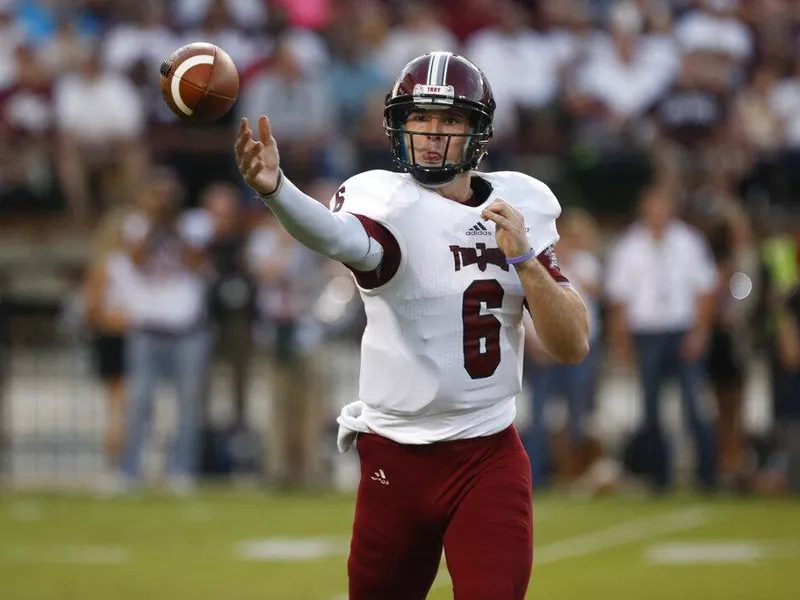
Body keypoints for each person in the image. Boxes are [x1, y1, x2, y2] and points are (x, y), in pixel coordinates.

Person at [236, 52, 589, 600]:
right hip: (394, 457)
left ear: (478, 131)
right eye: (420, 117)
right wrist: (277, 190)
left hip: (486, 452)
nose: (430, 133)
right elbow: (334, 235)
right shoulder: (386, 202)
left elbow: (572, 344)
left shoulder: (521, 205)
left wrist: (526, 260)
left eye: (449, 120)